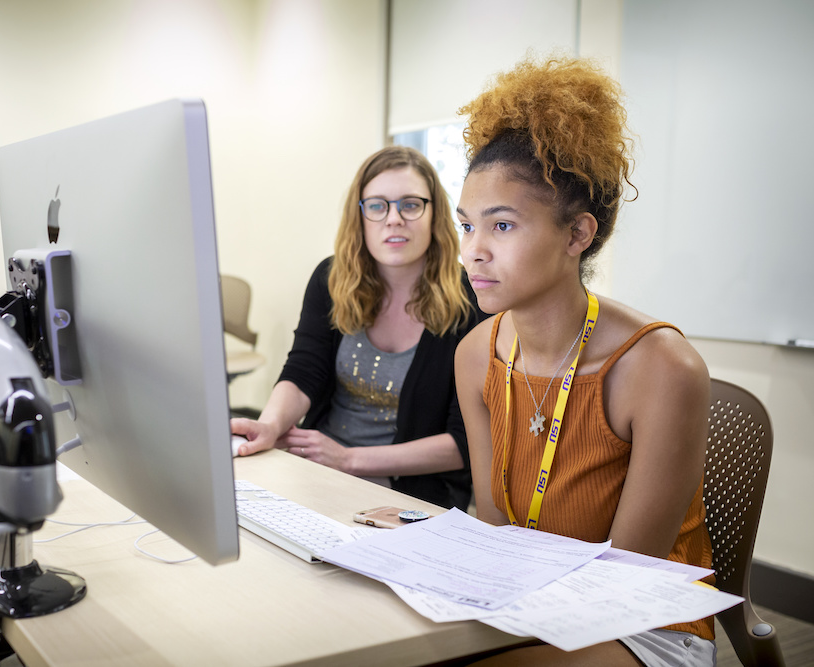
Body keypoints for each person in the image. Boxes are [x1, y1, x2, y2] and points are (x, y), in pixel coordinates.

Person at [453, 55, 714, 666]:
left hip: (642, 622)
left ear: (577, 235)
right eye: (466, 227)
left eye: (502, 226)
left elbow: (624, 578)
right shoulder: (475, 354)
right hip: (523, 603)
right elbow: (495, 528)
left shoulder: (661, 368)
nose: (474, 252)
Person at [231, 145, 488, 510]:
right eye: (378, 206)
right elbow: (303, 370)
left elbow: (465, 442)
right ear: (361, 216)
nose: (394, 219)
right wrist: (270, 426)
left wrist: (349, 459)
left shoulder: (472, 300)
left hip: (410, 493)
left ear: (434, 214)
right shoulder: (331, 279)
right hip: (319, 469)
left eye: (410, 205)